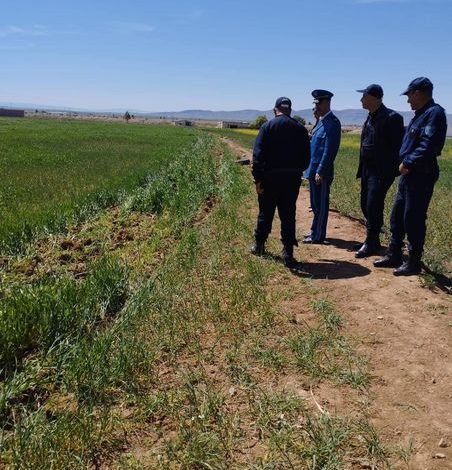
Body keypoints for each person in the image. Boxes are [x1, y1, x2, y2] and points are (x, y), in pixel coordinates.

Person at [374, 77, 447, 275]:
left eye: (409, 95)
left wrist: (408, 162)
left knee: (413, 218)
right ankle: (394, 254)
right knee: (397, 216)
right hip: (409, 175)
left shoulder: (434, 114)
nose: (407, 100)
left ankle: (414, 262)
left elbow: (429, 145)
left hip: (421, 174)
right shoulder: (420, 115)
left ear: (418, 93)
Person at [251, 96, 311, 267]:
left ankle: (259, 245)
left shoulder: (267, 127)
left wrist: (258, 179)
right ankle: (288, 252)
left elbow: (257, 156)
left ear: (275, 109)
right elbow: (306, 158)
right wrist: (296, 171)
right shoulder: (300, 129)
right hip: (291, 180)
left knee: (265, 212)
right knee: (288, 214)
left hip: (269, 178)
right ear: (290, 110)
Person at [354, 84, 405, 258]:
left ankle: (371, 242)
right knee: (365, 204)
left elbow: (397, 147)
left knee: (373, 204)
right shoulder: (370, 116)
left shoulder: (392, 118)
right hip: (367, 169)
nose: (361, 99)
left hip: (381, 172)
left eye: (364, 96)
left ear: (373, 98)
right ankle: (373, 240)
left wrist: (390, 170)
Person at [303, 90, 341, 244]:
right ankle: (315, 230)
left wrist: (321, 170)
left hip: (321, 172)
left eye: (318, 103)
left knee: (320, 205)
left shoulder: (333, 123)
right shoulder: (321, 121)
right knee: (315, 204)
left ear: (327, 103)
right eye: (315, 103)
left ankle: (318, 235)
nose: (316, 107)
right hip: (312, 170)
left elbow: (329, 149)